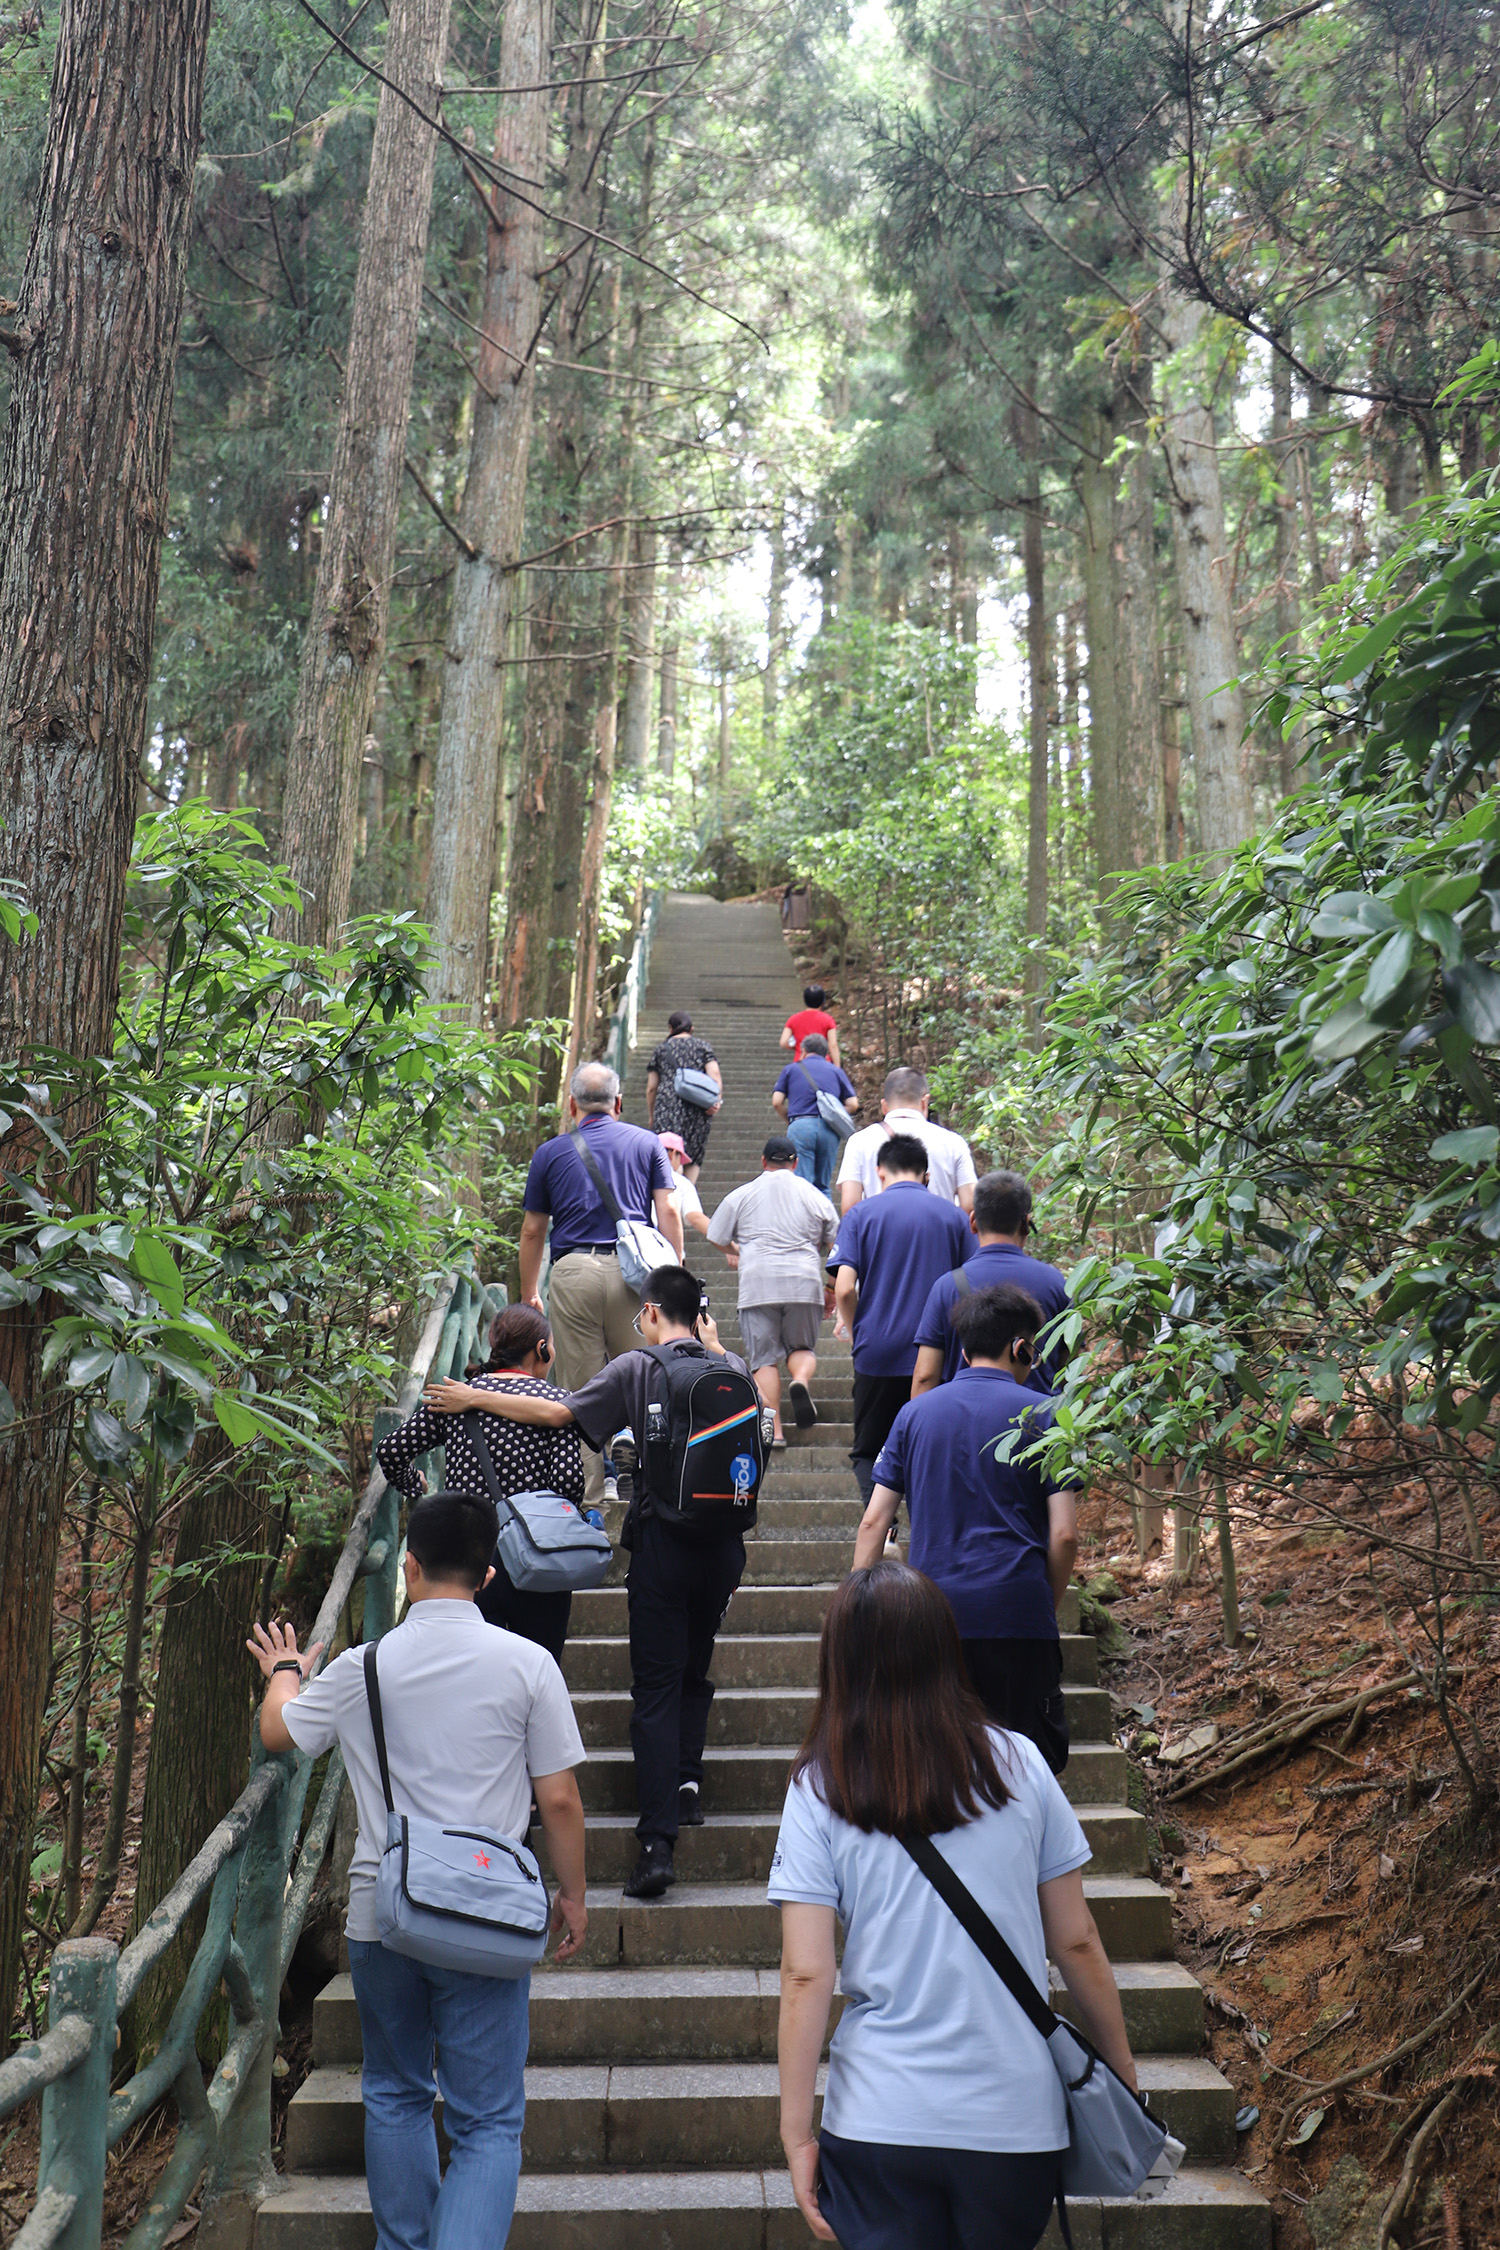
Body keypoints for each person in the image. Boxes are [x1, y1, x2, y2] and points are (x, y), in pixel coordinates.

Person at [248, 1490, 588, 2250]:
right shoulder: (529, 1664)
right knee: (488, 2121)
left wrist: (287, 1669)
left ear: (408, 1566)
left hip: (384, 1916)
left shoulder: (365, 1666)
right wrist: (571, 1894)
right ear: (490, 1575)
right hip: (488, 1921)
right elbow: (561, 1800)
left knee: (396, 2094)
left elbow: (278, 1731)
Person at [770, 1560, 1136, 2250]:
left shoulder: (820, 1786)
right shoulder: (1021, 1764)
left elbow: (807, 1974)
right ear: (945, 1648)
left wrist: (796, 2135)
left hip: (879, 2116)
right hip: (1014, 2122)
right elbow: (1077, 1939)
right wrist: (1120, 2076)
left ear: (839, 1662)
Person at [424, 1265, 753, 1902]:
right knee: (695, 1667)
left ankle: (657, 1845)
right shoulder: (732, 1367)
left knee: (655, 1689)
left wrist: (474, 1399)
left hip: (663, 1545)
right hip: (725, 1548)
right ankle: (687, 1785)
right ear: (699, 1315)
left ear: (650, 1312)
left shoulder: (638, 1368)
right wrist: (714, 1346)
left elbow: (557, 1413)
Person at [851, 1284, 1079, 1774]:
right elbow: (1064, 1535)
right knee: (1023, 1769)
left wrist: (859, 1615)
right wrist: (1042, 1602)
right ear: (1021, 1347)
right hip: (1018, 1613)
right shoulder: (1047, 1415)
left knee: (939, 1769)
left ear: (963, 1347)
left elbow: (873, 1521)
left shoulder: (913, 1414)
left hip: (932, 1620)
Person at [375, 1304, 589, 1664]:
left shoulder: (457, 1397)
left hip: (467, 1556)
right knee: (538, 1665)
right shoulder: (557, 1403)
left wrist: (414, 1485)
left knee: (470, 1667)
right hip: (538, 1552)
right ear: (542, 1349)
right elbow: (569, 1484)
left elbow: (391, 1450)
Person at [518, 1059, 683, 1507]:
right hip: (636, 1276)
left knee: (581, 1391)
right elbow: (668, 1210)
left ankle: (591, 1501)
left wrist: (529, 1292)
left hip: (573, 1273)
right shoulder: (647, 1143)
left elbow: (532, 1231)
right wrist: (674, 1275)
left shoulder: (550, 1153)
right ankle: (648, 1488)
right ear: (619, 1103)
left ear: (571, 1105)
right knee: (644, 1379)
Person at [829, 1134, 971, 1503]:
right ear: (926, 1175)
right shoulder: (954, 1217)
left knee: (868, 1452)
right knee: (933, 1449)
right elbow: (972, 1284)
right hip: (939, 1355)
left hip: (877, 1351)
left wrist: (857, 1329)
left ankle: (884, 1527)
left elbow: (843, 1289)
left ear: (880, 1172)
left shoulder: (860, 1214)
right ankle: (929, 1525)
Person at [706, 1135, 839, 1445]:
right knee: (802, 1348)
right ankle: (800, 1380)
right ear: (795, 1163)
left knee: (764, 1359)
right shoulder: (815, 1195)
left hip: (758, 1284)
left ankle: (775, 1431)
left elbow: (715, 1235)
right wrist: (831, 1287)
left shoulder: (743, 1194)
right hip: (804, 1282)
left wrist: (737, 1249)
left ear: (764, 1161)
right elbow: (837, 1243)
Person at [912, 1169, 1071, 1397]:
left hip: (962, 1416)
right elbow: (1070, 1366)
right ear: (1026, 1224)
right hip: (1039, 1417)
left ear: (973, 1222)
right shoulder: (1055, 1283)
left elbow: (925, 1376)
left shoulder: (947, 1287)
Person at [835, 1065, 977, 1215]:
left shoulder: (859, 1142)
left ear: (884, 1106)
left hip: (880, 1229)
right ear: (925, 1102)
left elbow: (850, 1206)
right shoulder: (954, 1143)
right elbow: (969, 1205)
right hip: (940, 1228)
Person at [771, 1031, 859, 1194]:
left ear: (803, 1051)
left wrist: (791, 1120)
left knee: (801, 1184)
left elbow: (777, 1102)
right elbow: (853, 1104)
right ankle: (824, 1210)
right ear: (825, 1054)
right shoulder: (836, 1071)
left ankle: (803, 1211)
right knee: (823, 1185)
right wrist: (832, 1115)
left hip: (801, 1126)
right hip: (829, 1129)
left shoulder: (791, 1069)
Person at [645, 1010, 723, 1181]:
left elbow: (652, 1087)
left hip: (667, 1107)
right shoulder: (703, 1047)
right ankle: (688, 1193)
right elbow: (715, 1074)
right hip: (698, 1108)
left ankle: (669, 1190)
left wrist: (652, 1115)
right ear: (691, 1028)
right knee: (693, 1157)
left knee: (669, 1154)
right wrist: (716, 1102)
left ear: (670, 1028)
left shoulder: (661, 1049)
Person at [659, 1130, 711, 1238]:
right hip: (664, 1243)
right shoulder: (681, 1182)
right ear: (672, 1154)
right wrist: (725, 1239)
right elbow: (695, 1217)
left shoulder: (635, 1178)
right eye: (680, 1159)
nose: (680, 1164)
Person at [780, 982, 842, 1067]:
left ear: (805, 1000)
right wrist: (837, 1068)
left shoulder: (793, 1019)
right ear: (822, 1001)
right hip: (822, 1063)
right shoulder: (828, 1020)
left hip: (801, 1063)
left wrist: (797, 1047)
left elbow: (783, 1042)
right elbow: (833, 1045)